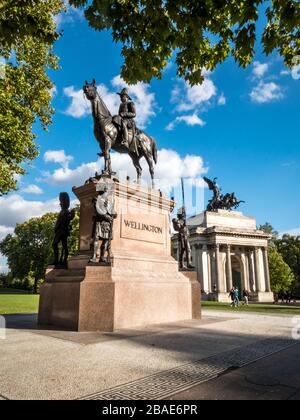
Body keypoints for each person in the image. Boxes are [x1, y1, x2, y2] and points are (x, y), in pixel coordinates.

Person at [90, 185, 117, 264]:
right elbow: (98, 211)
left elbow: (115, 214)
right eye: (105, 191)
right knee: (96, 239)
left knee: (105, 241)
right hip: (99, 222)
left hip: (107, 224)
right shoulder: (96, 200)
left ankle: (102, 257)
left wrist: (113, 214)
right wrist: (107, 216)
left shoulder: (110, 203)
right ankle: (94, 256)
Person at [52, 192, 75, 267]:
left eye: (61, 202)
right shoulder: (62, 211)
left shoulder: (66, 211)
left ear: (64, 202)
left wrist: (72, 215)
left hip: (63, 231)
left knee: (61, 246)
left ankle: (63, 261)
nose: (60, 204)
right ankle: (58, 261)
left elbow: (70, 218)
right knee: (61, 246)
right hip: (59, 231)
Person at [113, 88, 138, 154]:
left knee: (123, 123)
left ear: (126, 96)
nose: (120, 98)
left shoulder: (130, 103)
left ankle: (126, 141)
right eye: (120, 97)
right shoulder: (121, 105)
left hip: (129, 121)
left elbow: (134, 114)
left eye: (122, 96)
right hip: (121, 119)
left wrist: (124, 114)